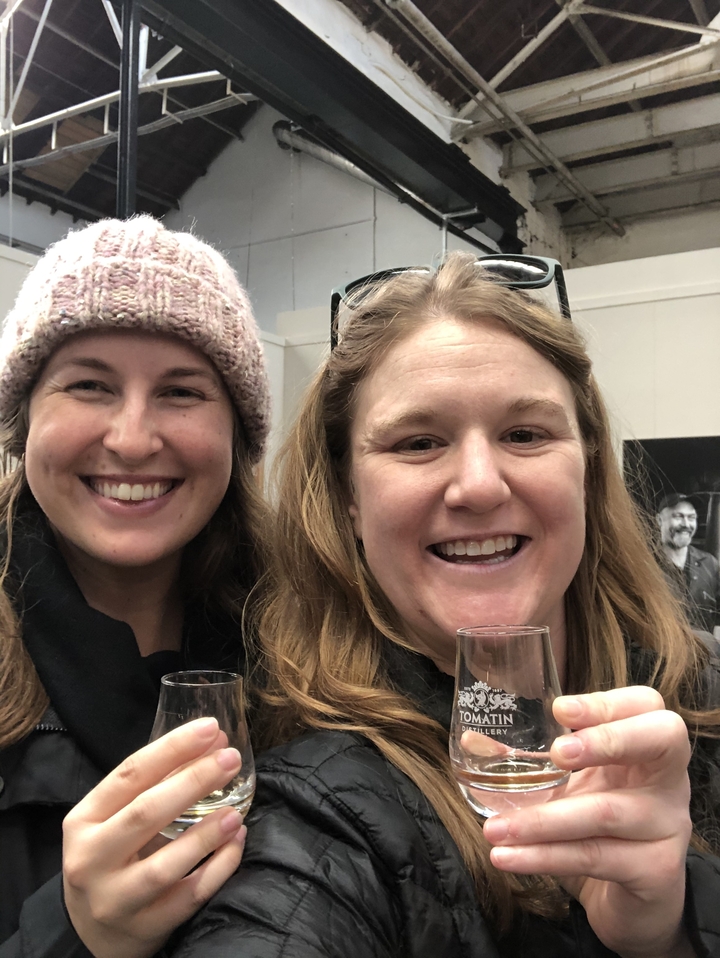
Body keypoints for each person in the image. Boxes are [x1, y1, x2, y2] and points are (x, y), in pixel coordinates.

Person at [67, 252, 720, 957]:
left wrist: (671, 931)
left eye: (525, 434)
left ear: (589, 467)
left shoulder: (696, 696)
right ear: (350, 500)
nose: (478, 485)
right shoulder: (318, 809)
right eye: (418, 442)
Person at [0, 215, 271, 958]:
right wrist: (73, 936)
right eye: (89, 384)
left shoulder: (312, 655)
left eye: (181, 392)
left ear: (238, 438)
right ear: (22, 424)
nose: (130, 438)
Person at [657, 493, 720, 638]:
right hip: (661, 655)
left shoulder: (710, 564)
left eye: (691, 517)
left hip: (705, 656)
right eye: (678, 516)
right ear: (659, 520)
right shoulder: (645, 564)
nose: (686, 524)